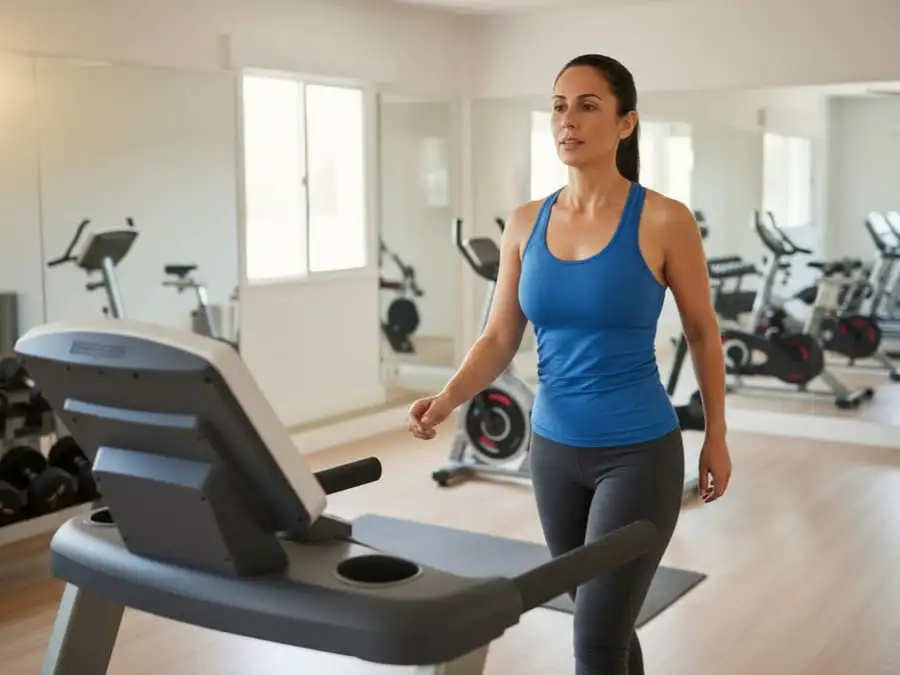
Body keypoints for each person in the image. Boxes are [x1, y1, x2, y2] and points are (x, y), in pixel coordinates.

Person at [406, 53, 731, 675]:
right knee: (602, 623)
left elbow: (702, 332)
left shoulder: (664, 219)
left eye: (587, 106)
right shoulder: (526, 222)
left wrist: (716, 434)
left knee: (595, 639)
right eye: (559, 106)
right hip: (551, 454)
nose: (568, 120)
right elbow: (500, 335)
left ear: (625, 123)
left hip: (637, 455)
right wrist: (446, 399)